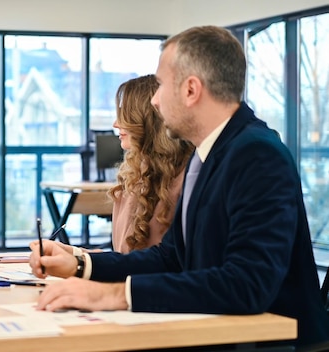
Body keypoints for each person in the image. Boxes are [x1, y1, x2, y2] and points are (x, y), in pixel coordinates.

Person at [29, 26, 329, 348]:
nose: (155, 101)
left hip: (269, 343)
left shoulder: (257, 154)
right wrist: (80, 264)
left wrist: (114, 295)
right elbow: (171, 257)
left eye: (160, 85)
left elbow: (248, 284)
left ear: (190, 90)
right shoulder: (207, 154)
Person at [60, 75, 192, 255]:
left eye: (125, 115)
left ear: (146, 118)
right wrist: (74, 254)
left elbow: (147, 264)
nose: (116, 124)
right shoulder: (133, 177)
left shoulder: (186, 180)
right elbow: (124, 260)